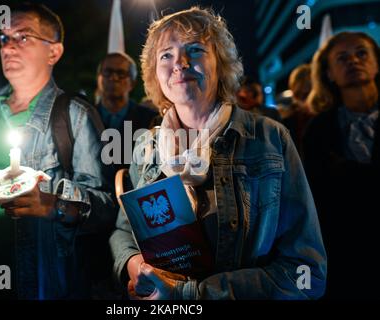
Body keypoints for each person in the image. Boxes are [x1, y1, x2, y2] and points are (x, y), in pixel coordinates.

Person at [110, 7, 326, 300]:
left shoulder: (270, 138)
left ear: (221, 64)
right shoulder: (145, 146)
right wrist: (135, 267)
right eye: (166, 55)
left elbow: (306, 272)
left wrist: (190, 295)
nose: (180, 63)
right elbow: (123, 233)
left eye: (195, 49)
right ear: (154, 74)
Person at [0, 3, 115, 299]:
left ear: (54, 52)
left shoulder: (75, 115)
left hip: (44, 281)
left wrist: (54, 204)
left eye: (23, 37)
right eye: (4, 39)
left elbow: (108, 209)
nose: (8, 48)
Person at [303, 32, 380, 299]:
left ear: (376, 63)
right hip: (347, 252)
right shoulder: (318, 130)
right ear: (330, 74)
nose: (353, 61)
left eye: (362, 53)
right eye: (342, 58)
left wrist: (348, 174)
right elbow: (320, 193)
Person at [96, 52, 158, 171]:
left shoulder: (150, 120)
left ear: (133, 82)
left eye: (121, 73)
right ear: (99, 78)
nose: (113, 78)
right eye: (108, 72)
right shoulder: (84, 118)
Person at [282, 64, 315, 157]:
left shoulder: (327, 115)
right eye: (299, 95)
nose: (305, 103)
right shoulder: (288, 119)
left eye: (307, 94)